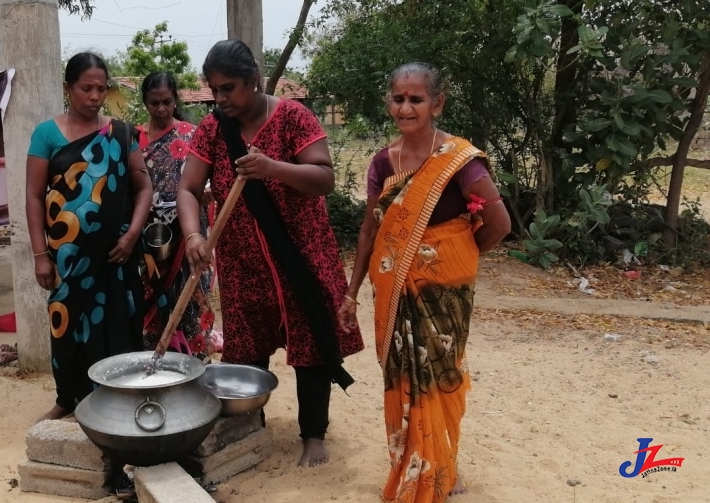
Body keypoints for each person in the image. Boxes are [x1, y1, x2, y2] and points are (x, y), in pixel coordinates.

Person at [176, 39, 365, 468]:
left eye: (229, 89)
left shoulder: (294, 117)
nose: (221, 99)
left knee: (311, 343)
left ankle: (313, 434)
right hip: (243, 261)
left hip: (302, 253)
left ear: (254, 81)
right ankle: (248, 426)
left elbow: (323, 179)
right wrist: (192, 236)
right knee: (245, 348)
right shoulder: (212, 129)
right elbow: (187, 189)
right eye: (214, 90)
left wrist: (271, 167)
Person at [338, 62, 511, 501]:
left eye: (416, 99)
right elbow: (369, 231)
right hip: (393, 287)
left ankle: (442, 470)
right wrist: (351, 291)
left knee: (440, 375)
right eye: (398, 98)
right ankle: (415, 466)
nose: (406, 106)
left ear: (437, 103)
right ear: (388, 102)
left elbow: (498, 223)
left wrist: (450, 257)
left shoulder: (457, 159)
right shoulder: (383, 161)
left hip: (446, 290)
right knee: (404, 378)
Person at [25, 52, 154, 422]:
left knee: (119, 320)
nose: (95, 96)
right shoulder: (46, 134)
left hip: (117, 254)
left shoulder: (122, 133)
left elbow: (143, 186)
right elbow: (34, 196)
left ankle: (122, 397)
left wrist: (132, 235)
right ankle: (69, 397)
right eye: (86, 88)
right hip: (68, 257)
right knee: (67, 323)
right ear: (68, 88)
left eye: (101, 88)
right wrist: (40, 254)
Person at [134, 71, 220, 360]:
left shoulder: (192, 135)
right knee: (151, 299)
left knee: (192, 297)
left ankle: (196, 364)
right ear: (145, 101)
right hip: (149, 238)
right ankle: (155, 363)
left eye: (167, 102)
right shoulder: (134, 139)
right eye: (154, 103)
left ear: (175, 100)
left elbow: (211, 178)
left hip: (189, 233)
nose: (160, 109)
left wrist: (208, 193)